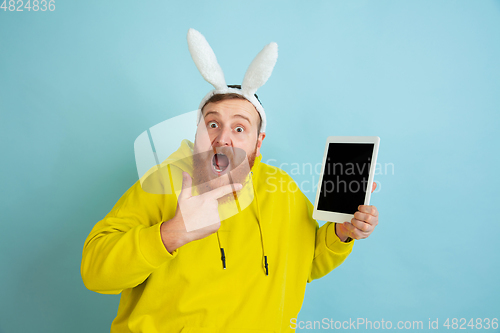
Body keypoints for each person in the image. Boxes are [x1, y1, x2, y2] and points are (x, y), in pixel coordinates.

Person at [81, 29, 379, 333]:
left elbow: (303, 264)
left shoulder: (283, 189)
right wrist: (170, 234)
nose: (222, 138)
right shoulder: (164, 182)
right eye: (213, 124)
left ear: (258, 141)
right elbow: (95, 271)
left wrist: (341, 233)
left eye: (239, 128)